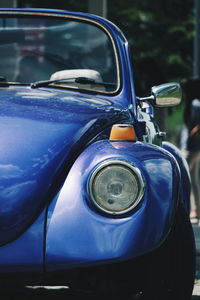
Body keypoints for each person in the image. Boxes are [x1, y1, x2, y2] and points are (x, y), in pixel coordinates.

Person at [182, 78, 200, 224]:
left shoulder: (194, 103)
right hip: (195, 145)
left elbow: (195, 123)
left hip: (192, 146)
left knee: (183, 174)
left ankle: (184, 209)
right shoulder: (196, 102)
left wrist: (194, 131)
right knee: (193, 178)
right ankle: (195, 210)